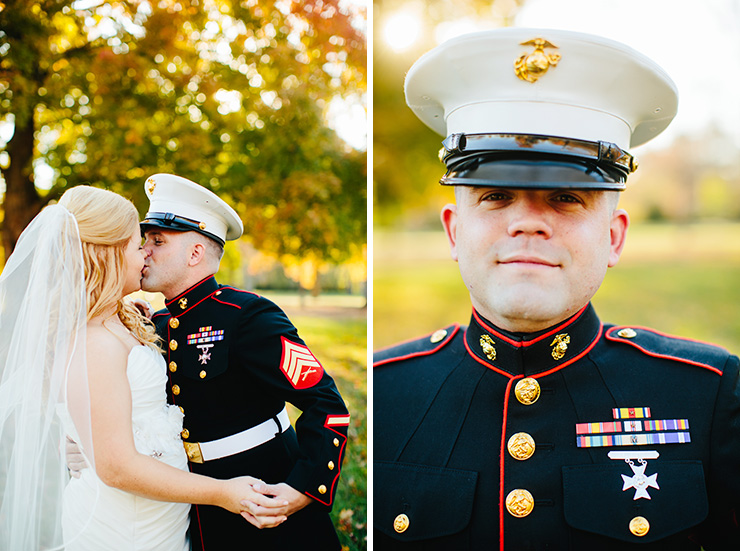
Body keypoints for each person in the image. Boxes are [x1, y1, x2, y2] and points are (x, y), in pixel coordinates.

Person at [373, 28, 740, 549]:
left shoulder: (709, 393)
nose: (527, 223)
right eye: (496, 195)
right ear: (455, 230)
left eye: (567, 197)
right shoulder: (386, 392)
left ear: (613, 239)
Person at [0, 185, 284, 551]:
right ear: (108, 254)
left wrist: (81, 439)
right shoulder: (92, 341)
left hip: (158, 515)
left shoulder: (126, 318)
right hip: (122, 525)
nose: (144, 255)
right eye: (138, 245)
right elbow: (116, 466)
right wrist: (222, 492)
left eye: (152, 244)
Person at [137, 173, 350, 549]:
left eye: (157, 241)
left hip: (263, 499)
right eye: (145, 240)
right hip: (191, 502)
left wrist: (304, 490)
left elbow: (326, 404)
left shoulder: (247, 315)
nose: (144, 251)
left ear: (195, 253)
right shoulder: (154, 325)